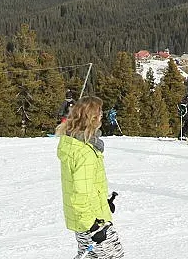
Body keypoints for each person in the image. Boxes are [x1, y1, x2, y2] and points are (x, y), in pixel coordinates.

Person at [55, 96, 124, 259]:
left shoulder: (74, 144)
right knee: (112, 256)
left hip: (86, 216)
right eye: (99, 114)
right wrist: (93, 226)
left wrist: (103, 203)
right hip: (91, 221)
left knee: (91, 256)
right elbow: (79, 196)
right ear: (91, 119)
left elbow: (83, 185)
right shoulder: (84, 152)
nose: (102, 118)